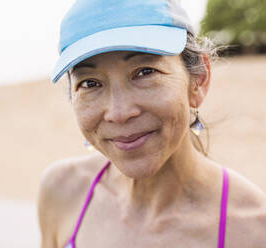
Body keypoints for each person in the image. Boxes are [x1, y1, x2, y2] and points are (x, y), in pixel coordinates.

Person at [38, 0, 266, 247]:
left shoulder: (253, 231)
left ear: (198, 81)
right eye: (90, 83)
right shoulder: (62, 192)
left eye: (144, 72)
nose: (119, 112)